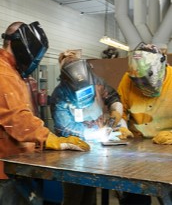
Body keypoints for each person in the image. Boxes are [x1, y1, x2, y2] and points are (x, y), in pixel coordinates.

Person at [0, 21, 90, 205]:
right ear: (19, 45)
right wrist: (49, 138)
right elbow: (16, 117)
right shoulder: (4, 74)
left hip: (16, 162)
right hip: (4, 167)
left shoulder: (13, 72)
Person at [50, 49, 133, 205]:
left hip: (95, 150)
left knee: (90, 192)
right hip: (72, 152)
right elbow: (64, 128)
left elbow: (113, 97)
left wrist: (116, 113)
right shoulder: (59, 95)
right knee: (73, 197)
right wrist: (97, 133)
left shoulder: (97, 82)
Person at [116, 42, 172, 205]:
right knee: (134, 196)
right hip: (137, 150)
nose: (142, 86)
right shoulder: (128, 79)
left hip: (168, 148)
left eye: (146, 80)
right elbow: (120, 108)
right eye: (138, 82)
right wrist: (122, 127)